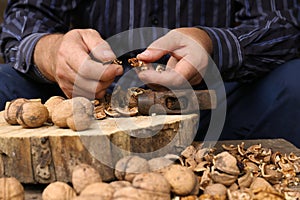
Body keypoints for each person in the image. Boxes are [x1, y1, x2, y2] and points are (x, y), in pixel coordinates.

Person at [0, 1, 300, 147]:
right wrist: (53, 53)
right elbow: (26, 18)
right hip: (89, 104)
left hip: (213, 98)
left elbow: (281, 25)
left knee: (294, 84)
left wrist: (210, 44)